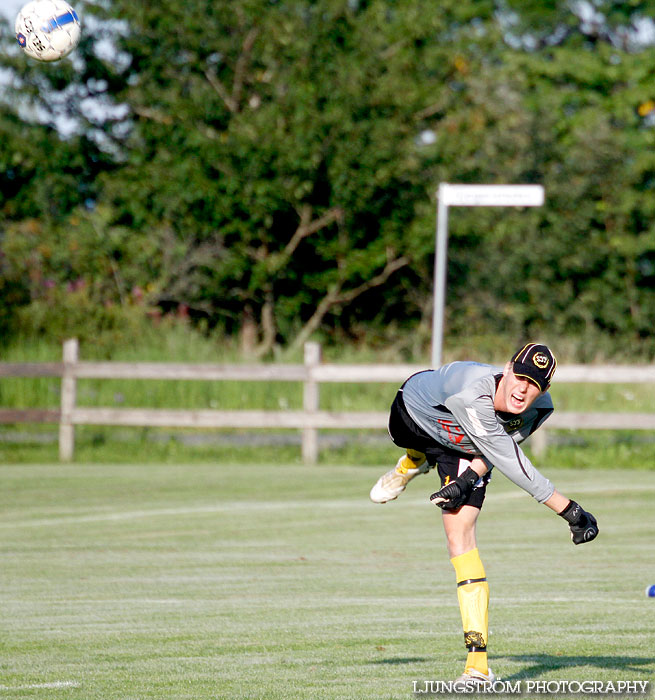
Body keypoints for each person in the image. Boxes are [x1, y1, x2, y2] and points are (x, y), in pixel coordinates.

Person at [369, 343, 599, 687]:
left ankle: (477, 667)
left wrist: (467, 480)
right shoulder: (472, 395)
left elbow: (497, 448)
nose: (523, 389)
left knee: (459, 536)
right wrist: (571, 511)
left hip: (465, 444)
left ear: (545, 389)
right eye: (520, 377)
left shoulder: (538, 409)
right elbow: (513, 464)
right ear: (506, 369)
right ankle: (413, 461)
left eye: (534, 384)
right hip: (415, 414)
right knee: (417, 444)